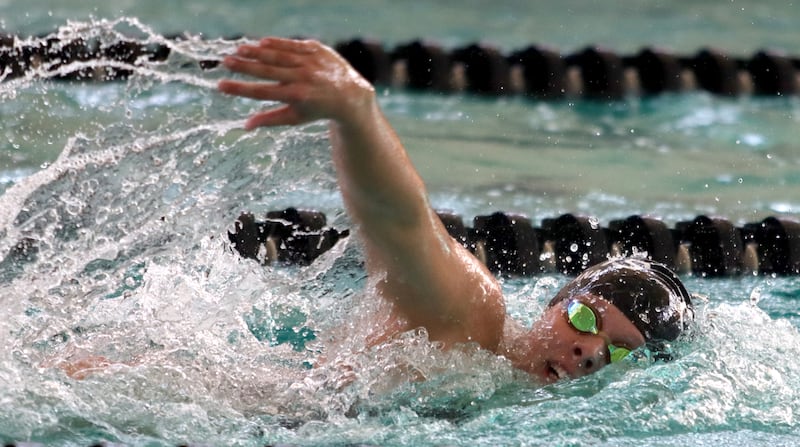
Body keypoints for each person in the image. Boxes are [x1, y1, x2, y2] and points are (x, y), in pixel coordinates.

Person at [216, 37, 694, 384]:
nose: (589, 351)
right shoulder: (473, 318)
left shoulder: (506, 391)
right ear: (554, 303)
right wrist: (356, 113)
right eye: (584, 318)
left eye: (621, 353)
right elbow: (403, 224)